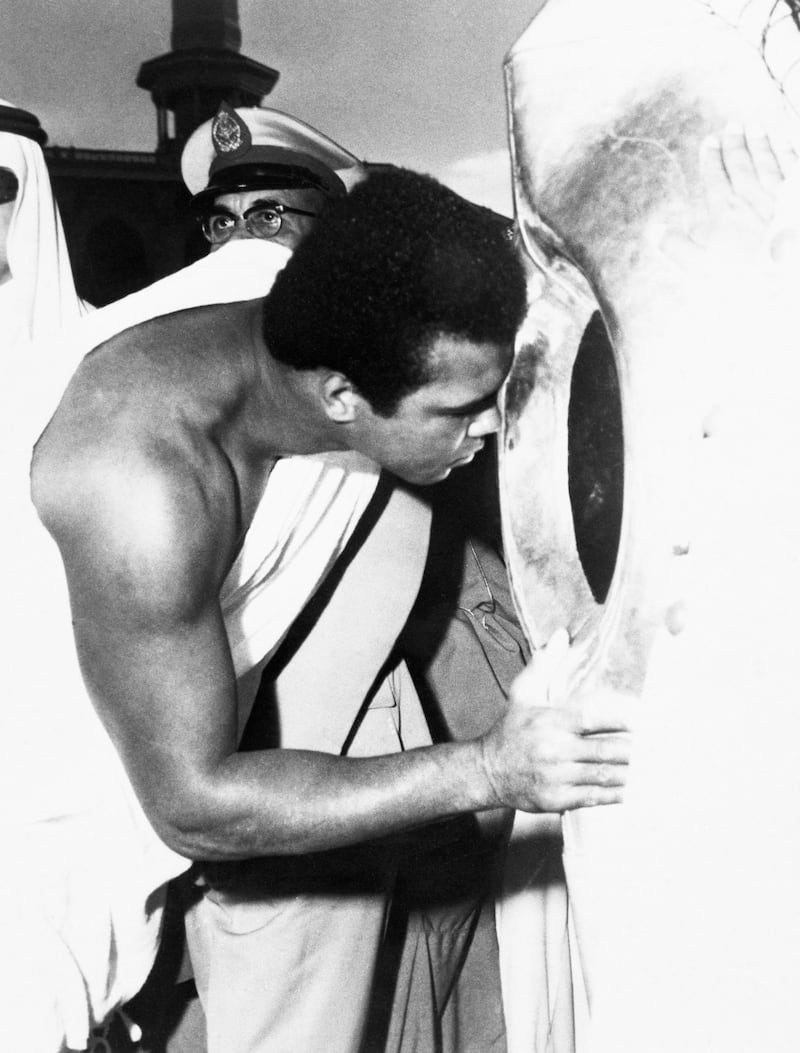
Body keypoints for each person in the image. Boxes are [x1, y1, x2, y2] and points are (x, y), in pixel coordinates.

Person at [22, 167, 633, 1052]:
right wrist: (493, 772)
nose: (490, 428)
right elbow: (191, 805)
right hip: (31, 860)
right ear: (342, 396)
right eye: (461, 409)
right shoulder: (139, 482)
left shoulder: (308, 296)